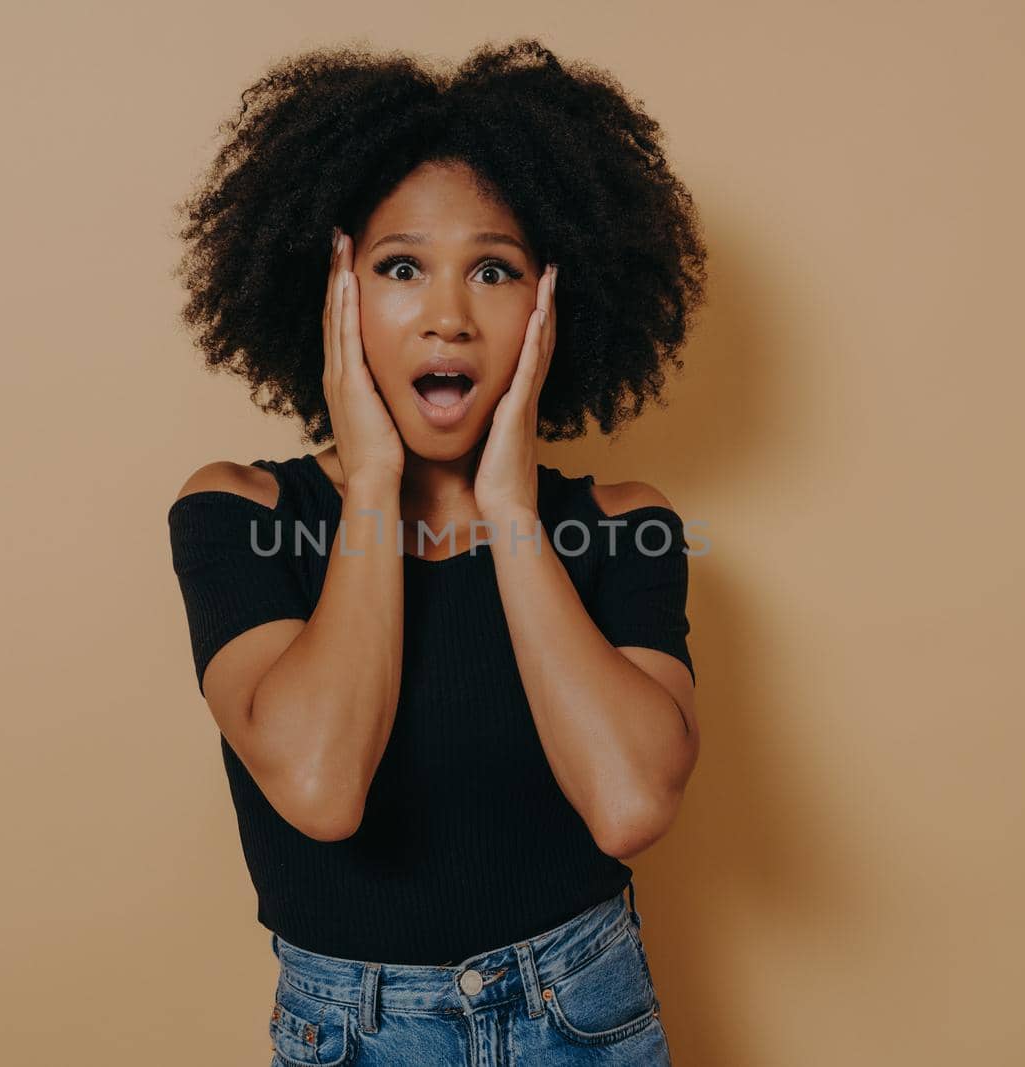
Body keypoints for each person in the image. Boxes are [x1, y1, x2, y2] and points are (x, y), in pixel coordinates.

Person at [166, 38, 707, 1066]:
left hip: (586, 1016)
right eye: (400, 267)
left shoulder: (625, 520)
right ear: (333, 295)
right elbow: (322, 786)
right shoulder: (235, 510)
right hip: (353, 1034)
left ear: (554, 301)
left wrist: (509, 505)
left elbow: (632, 801)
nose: (448, 317)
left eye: (493, 269)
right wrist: (369, 482)